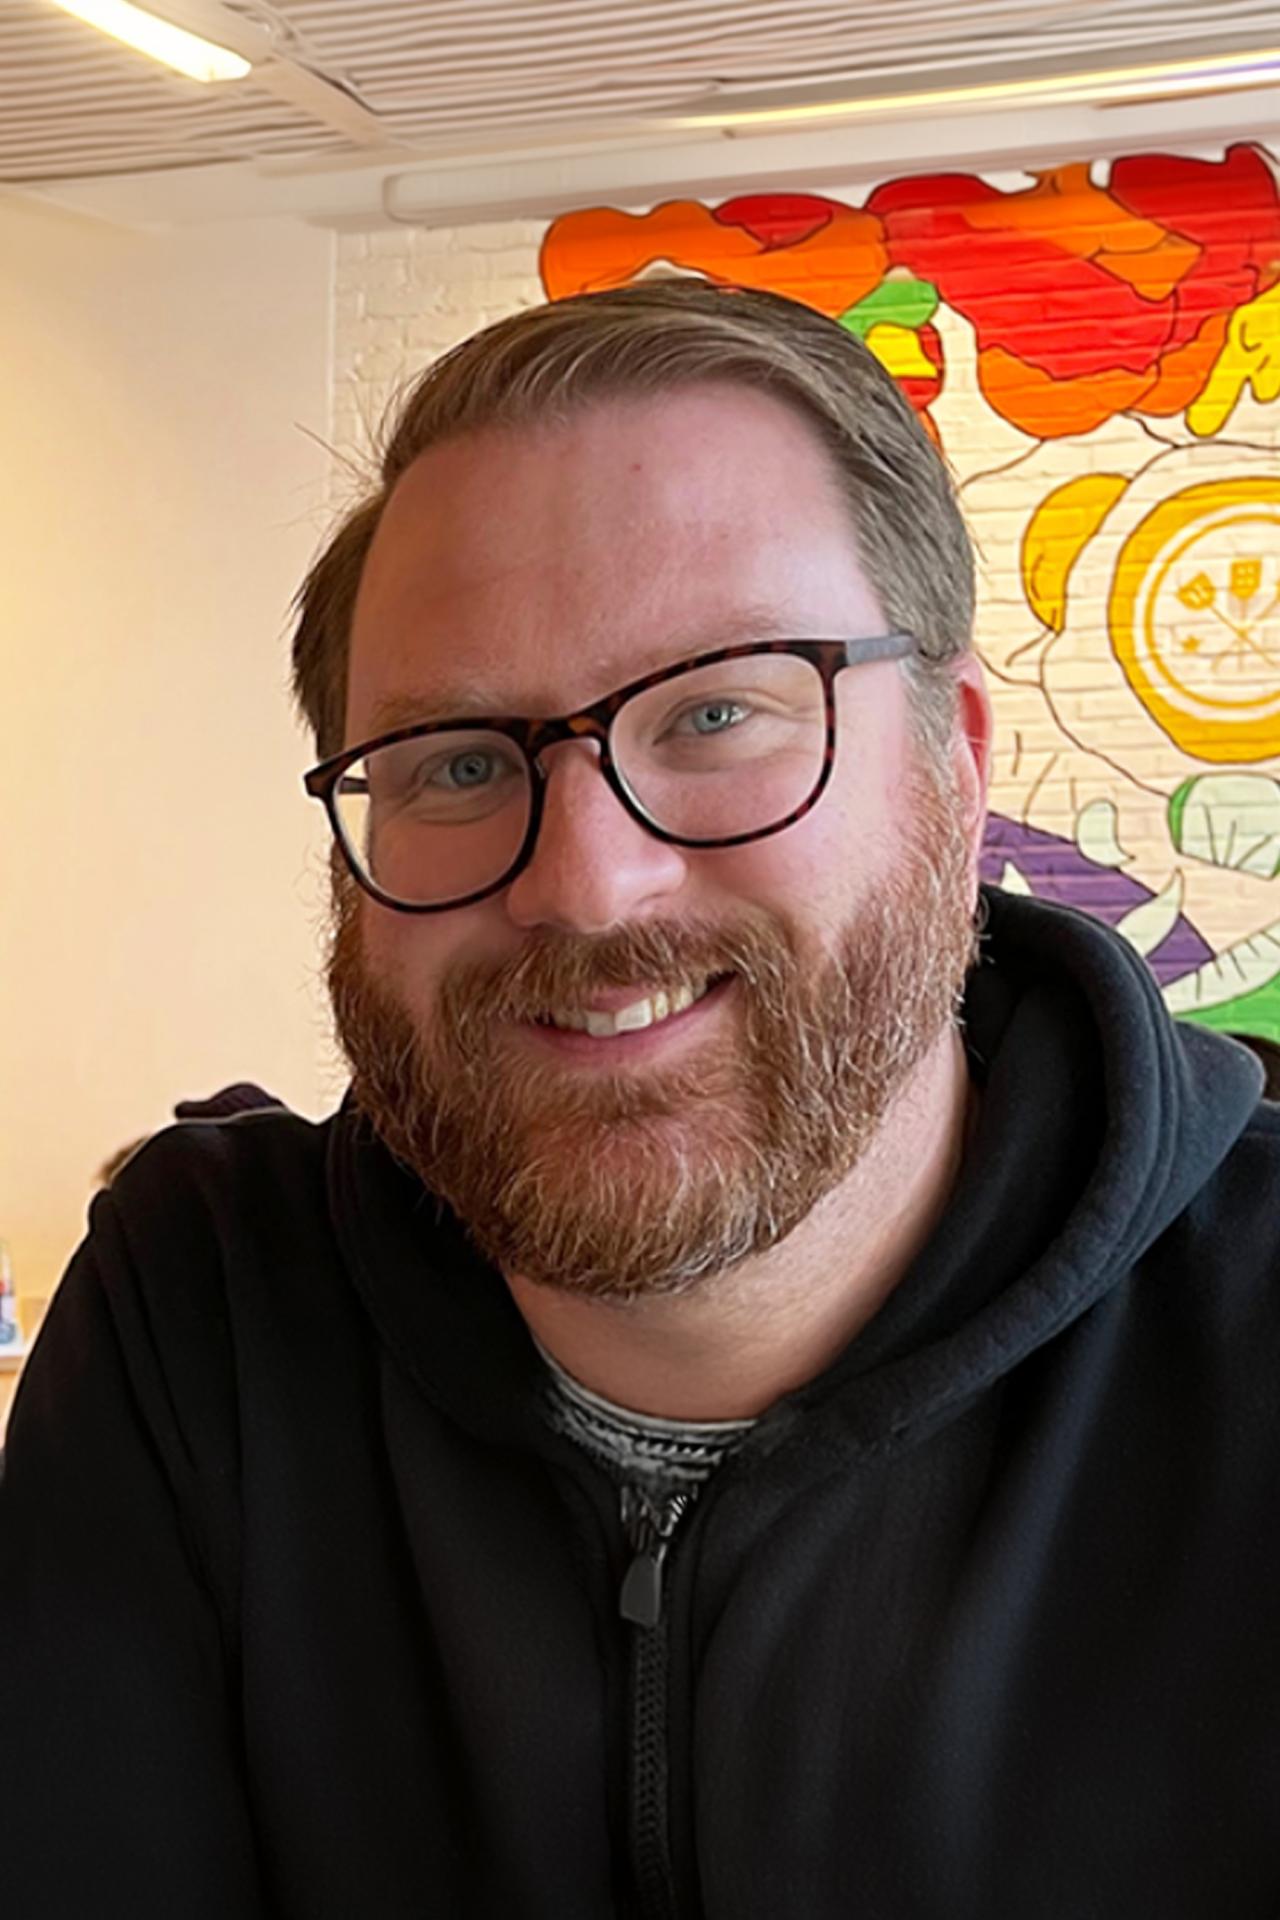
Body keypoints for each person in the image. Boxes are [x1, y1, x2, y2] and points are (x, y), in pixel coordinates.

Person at [3, 281, 1278, 1920]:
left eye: (720, 713)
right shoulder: (207, 1315)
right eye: (460, 759)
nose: (588, 889)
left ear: (954, 769)